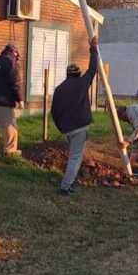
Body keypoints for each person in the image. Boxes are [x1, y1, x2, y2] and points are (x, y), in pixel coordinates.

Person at [50, 36, 99, 196]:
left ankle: (70, 182)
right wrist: (93, 48)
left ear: (67, 74)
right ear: (78, 74)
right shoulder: (81, 83)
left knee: (75, 156)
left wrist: (61, 127)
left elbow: (54, 112)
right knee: (75, 157)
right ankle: (66, 186)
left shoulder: (59, 89)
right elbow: (93, 69)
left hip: (67, 129)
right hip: (80, 127)